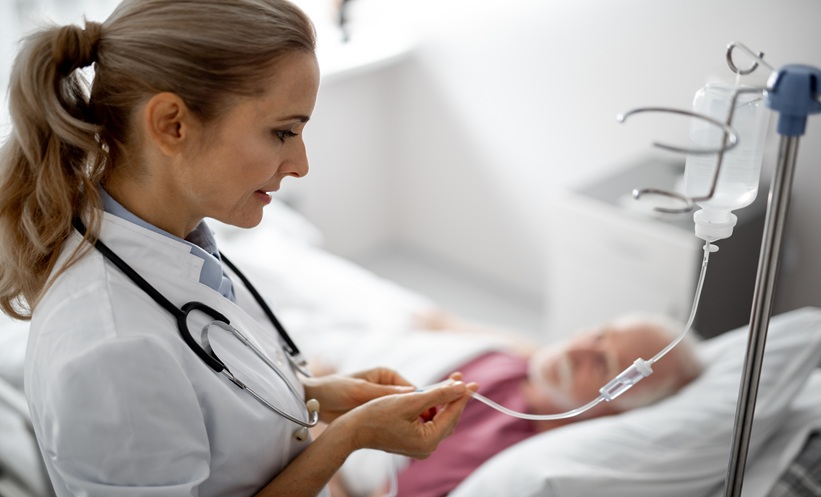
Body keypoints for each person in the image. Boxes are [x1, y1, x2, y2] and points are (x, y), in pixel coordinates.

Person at [0, 1, 477, 496]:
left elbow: (208, 403)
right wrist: (348, 438)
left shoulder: (174, 245)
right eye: (282, 132)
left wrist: (315, 395)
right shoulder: (113, 351)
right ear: (171, 124)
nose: (300, 164)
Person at [333, 312, 704, 497]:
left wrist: (320, 420)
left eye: (604, 363)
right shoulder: (528, 363)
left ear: (619, 406)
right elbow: (442, 321)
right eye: (598, 334)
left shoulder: (496, 449)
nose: (577, 349)